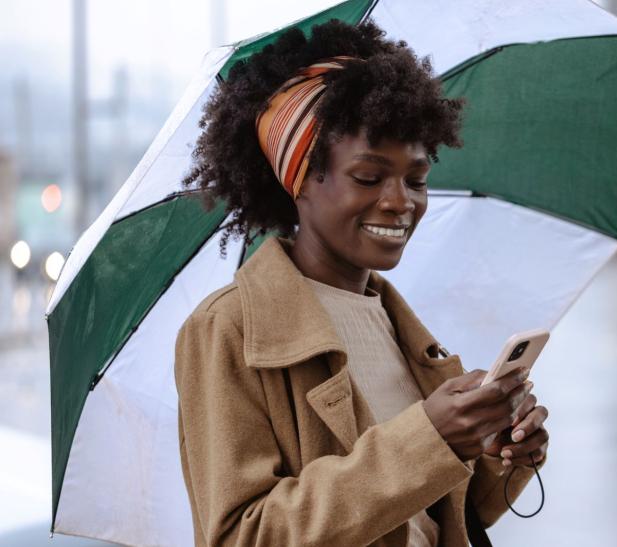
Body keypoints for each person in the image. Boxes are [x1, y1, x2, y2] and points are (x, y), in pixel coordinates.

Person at [174, 19, 549, 547]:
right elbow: (243, 535)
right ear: (299, 181)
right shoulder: (229, 329)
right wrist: (430, 438)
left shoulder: (396, 325)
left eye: (416, 179)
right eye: (369, 178)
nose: (402, 201)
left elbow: (433, 520)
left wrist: (493, 457)